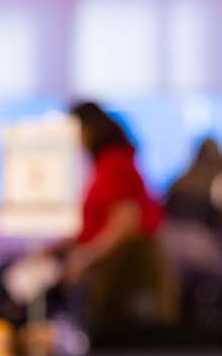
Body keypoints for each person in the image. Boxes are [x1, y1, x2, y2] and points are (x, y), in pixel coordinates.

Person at [65, 102, 176, 337]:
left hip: (127, 270)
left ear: (87, 129)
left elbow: (126, 222)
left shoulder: (114, 163)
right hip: (119, 265)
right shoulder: (106, 162)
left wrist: (87, 256)